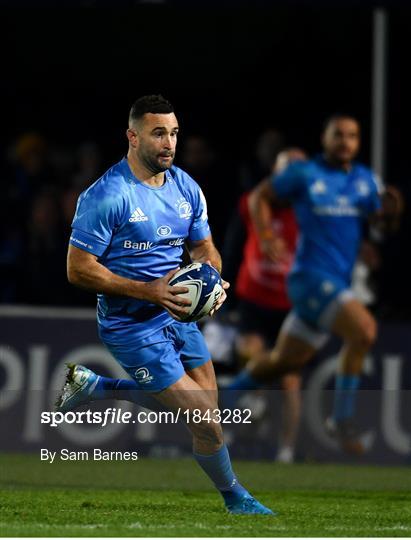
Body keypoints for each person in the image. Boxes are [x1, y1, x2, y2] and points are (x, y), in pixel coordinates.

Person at [55, 95, 274, 515]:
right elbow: (78, 270)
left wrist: (211, 281)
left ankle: (96, 386)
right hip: (131, 326)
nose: (169, 142)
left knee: (209, 411)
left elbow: (205, 247)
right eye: (159, 133)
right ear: (132, 137)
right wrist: (149, 290)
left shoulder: (185, 187)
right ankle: (237, 499)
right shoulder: (107, 195)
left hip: (177, 313)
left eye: (174, 133)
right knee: (206, 422)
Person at [227, 114, 402, 454]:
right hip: (309, 278)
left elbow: (381, 226)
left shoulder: (365, 180)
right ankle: (341, 417)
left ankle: (221, 401)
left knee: (284, 362)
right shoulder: (305, 172)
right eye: (338, 135)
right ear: (324, 137)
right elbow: (259, 196)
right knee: (364, 330)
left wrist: (390, 216)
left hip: (337, 281)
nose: (345, 142)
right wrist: (263, 234)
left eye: (352, 136)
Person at [224, 148, 307, 463]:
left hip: (291, 305)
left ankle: (286, 450)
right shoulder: (252, 203)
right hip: (254, 300)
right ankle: (252, 404)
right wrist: (222, 287)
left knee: (289, 380)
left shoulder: (309, 212)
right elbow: (233, 244)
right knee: (250, 352)